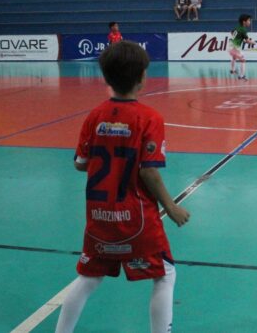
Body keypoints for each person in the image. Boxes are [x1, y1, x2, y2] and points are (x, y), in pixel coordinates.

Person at [55, 41, 190, 333]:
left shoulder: (94, 115)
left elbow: (80, 163)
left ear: (106, 78)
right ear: (142, 77)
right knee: (165, 274)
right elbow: (149, 171)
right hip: (136, 218)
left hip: (98, 216)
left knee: (89, 279)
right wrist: (171, 206)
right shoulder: (149, 117)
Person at [228, 14, 255, 81]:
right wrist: (253, 42)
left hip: (230, 46)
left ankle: (232, 70)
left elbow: (232, 32)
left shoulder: (237, 27)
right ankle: (242, 76)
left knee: (234, 57)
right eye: (248, 20)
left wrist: (240, 38)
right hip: (234, 47)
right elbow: (248, 41)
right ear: (244, 22)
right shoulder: (243, 30)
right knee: (243, 60)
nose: (250, 22)